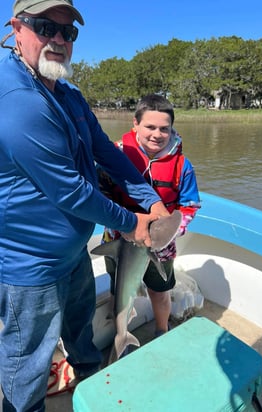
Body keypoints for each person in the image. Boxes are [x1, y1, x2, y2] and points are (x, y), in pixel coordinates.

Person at [0, 2, 169, 411]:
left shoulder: (69, 93)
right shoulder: (17, 100)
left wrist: (153, 200)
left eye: (68, 33)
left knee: (80, 330)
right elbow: (71, 192)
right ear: (16, 28)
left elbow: (106, 154)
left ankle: (93, 388)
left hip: (74, 250)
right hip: (31, 264)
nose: (58, 40)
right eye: (45, 27)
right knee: (28, 362)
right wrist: (133, 223)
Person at [98, 94, 200, 339]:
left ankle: (161, 331)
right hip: (118, 238)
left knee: (160, 291)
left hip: (160, 245)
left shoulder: (182, 165)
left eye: (164, 129)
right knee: (118, 290)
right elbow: (99, 194)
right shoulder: (114, 155)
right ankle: (119, 335)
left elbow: (190, 205)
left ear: (172, 129)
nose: (157, 134)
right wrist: (120, 223)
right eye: (150, 127)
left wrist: (172, 231)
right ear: (135, 124)